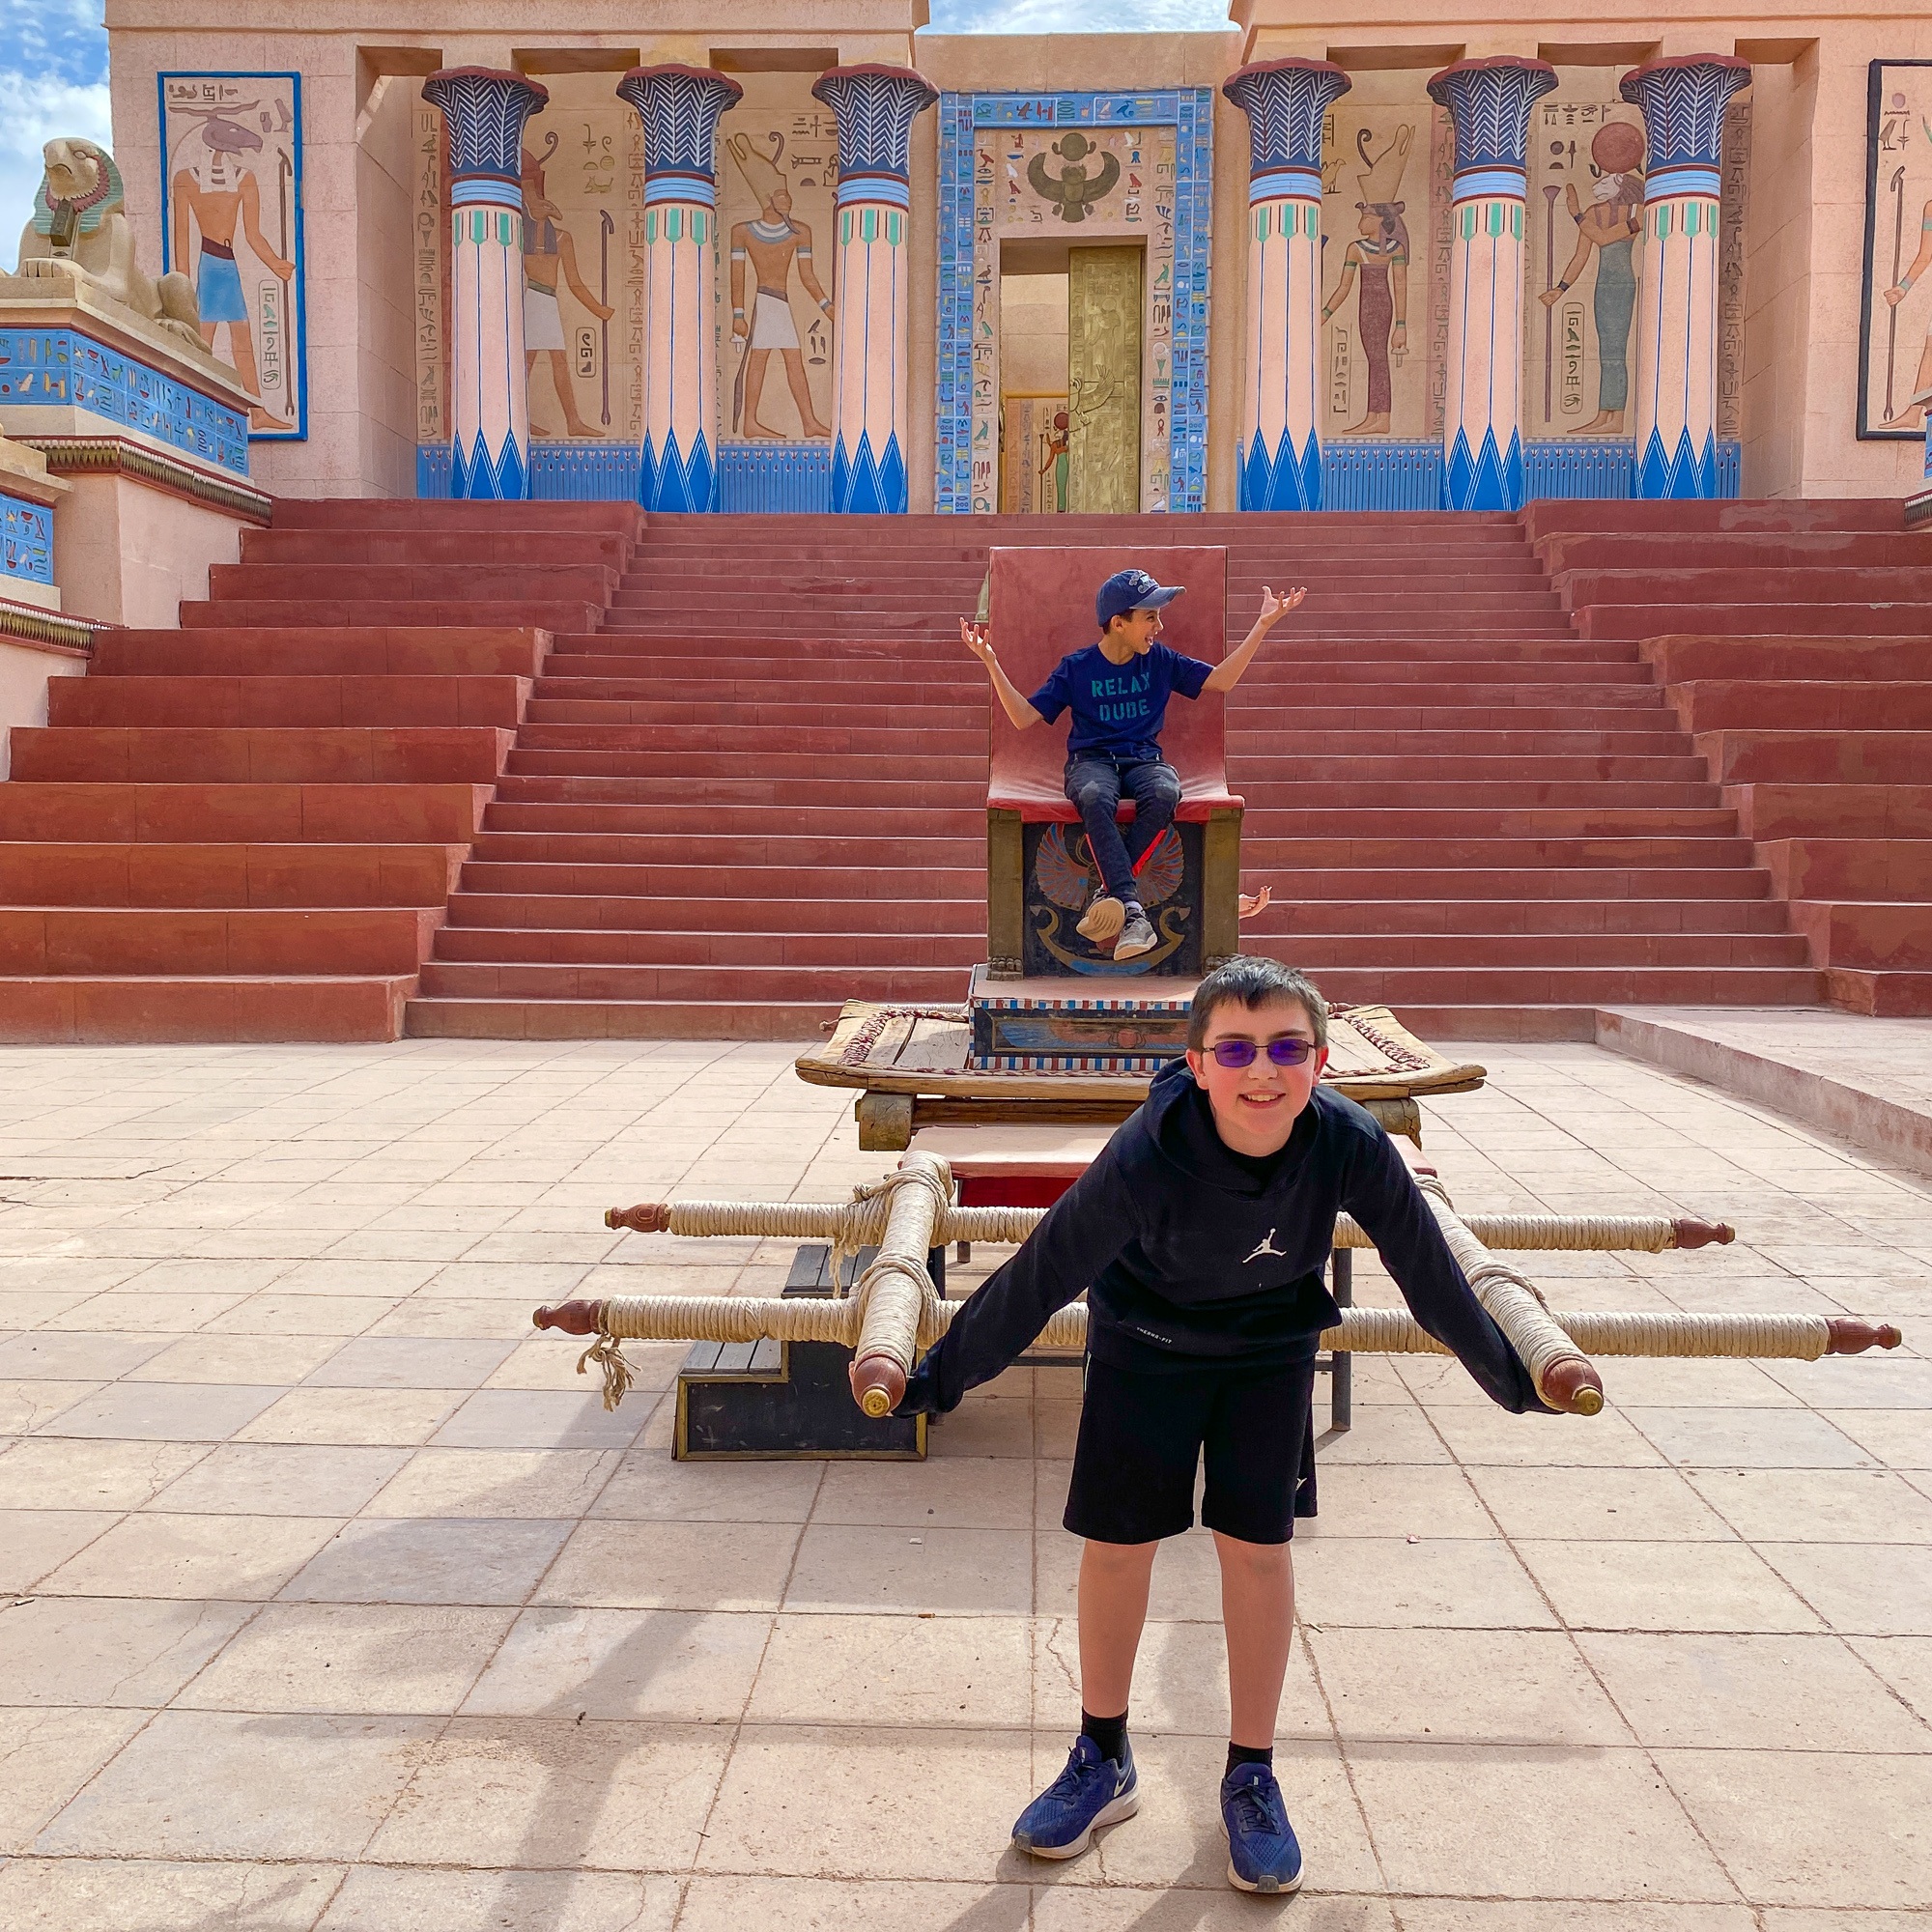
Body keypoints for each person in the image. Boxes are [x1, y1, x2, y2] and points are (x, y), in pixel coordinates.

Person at [883, 955, 1552, 1893]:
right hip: (1143, 1344)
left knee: (1255, 1547)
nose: (1260, 1069)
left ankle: (1250, 1769)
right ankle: (1102, 1754)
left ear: (1320, 1062)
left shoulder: (1348, 1140)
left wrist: (1511, 1378)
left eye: (1286, 1046)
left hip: (1266, 1351)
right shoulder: (1148, 1148)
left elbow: (1427, 1272)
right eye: (1233, 1047)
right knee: (1116, 1545)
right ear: (1197, 1064)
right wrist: (935, 1378)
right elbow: (1042, 1272)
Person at [962, 569, 1306, 960]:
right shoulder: (1077, 667)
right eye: (1150, 617)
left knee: (1165, 791)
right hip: (1091, 761)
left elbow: (1222, 680)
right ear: (1118, 623)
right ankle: (1133, 910)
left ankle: (1111, 895)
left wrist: (1262, 625)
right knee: (1093, 795)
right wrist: (990, 663)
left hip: (1144, 759)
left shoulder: (1160, 660)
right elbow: (1025, 717)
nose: (1160, 625)